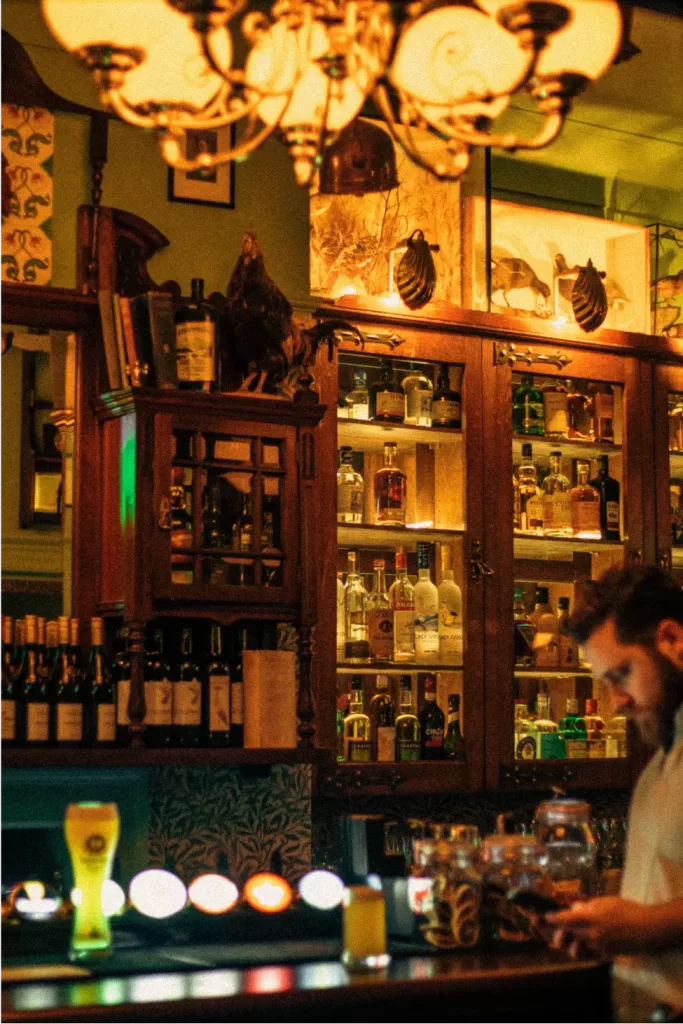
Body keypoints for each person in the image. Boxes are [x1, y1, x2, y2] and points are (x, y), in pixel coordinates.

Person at [547, 565, 683, 1023]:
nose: (616, 700)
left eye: (621, 674)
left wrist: (643, 927)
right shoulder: (661, 762)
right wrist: (602, 925)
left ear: (672, 639)